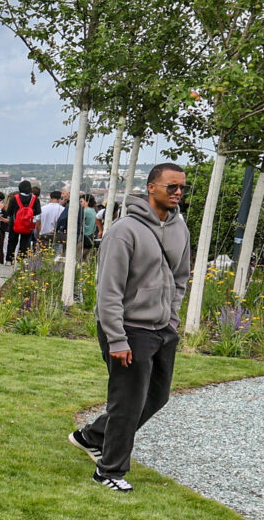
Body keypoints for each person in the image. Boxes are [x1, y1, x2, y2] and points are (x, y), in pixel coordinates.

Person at [68, 164, 193, 494]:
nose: (178, 192)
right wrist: (117, 339)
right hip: (128, 328)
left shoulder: (180, 228)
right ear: (151, 188)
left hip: (162, 328)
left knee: (157, 397)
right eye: (171, 187)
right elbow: (108, 291)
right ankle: (109, 470)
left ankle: (91, 436)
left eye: (182, 187)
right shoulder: (124, 231)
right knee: (128, 403)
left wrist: (172, 319)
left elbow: (181, 278)